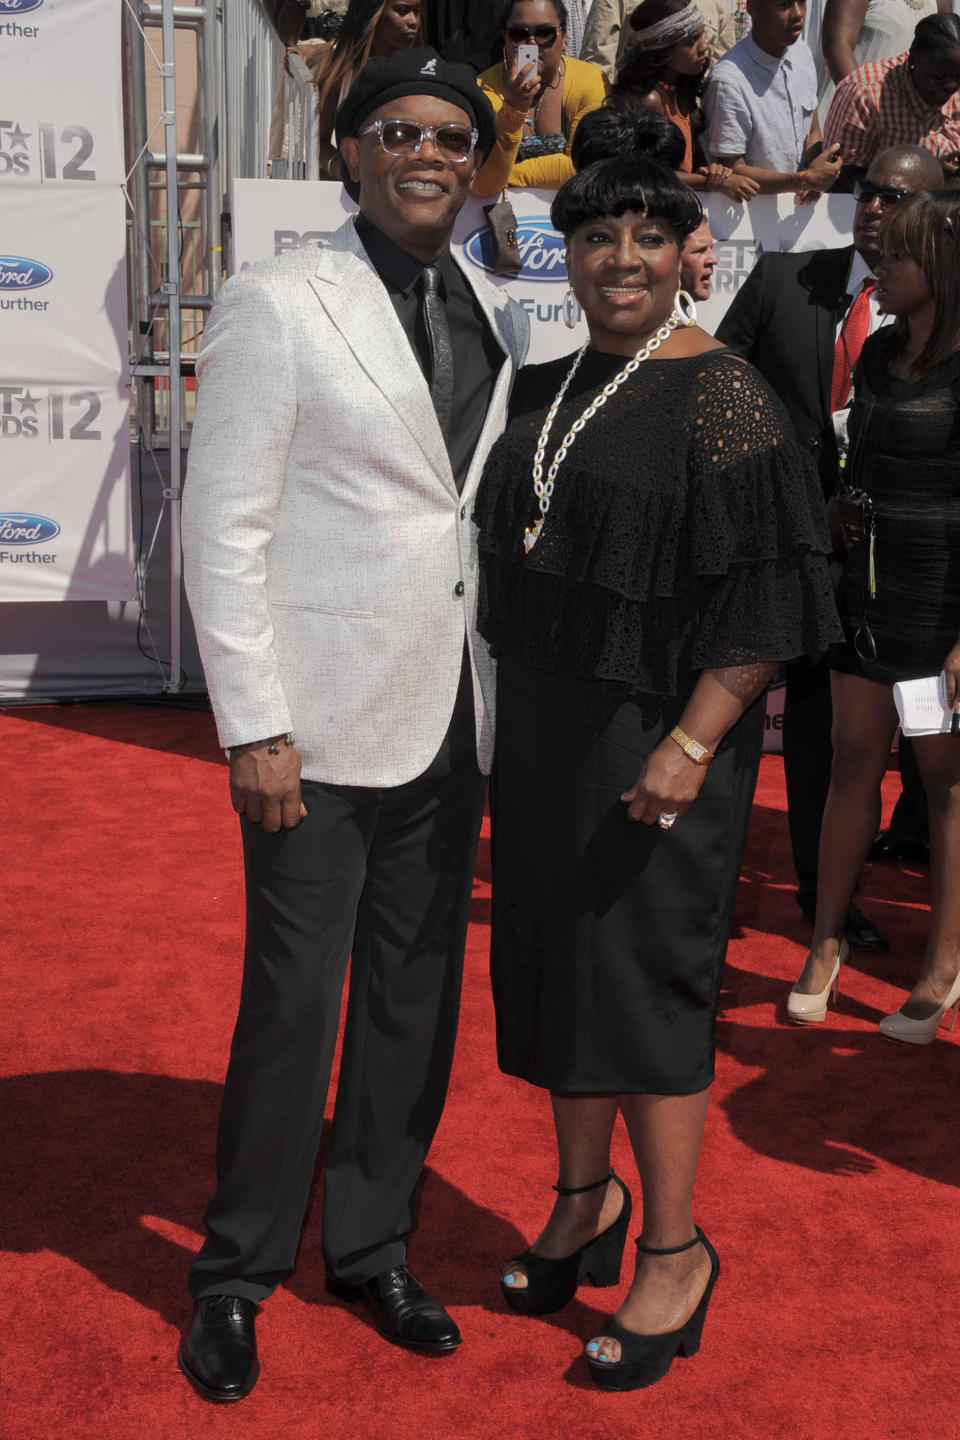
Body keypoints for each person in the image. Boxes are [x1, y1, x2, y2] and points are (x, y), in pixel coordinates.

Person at [178, 48, 528, 1402]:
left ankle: (373, 1243)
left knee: (410, 1002)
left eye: (451, 134)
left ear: (482, 163)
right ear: (353, 151)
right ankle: (236, 1272)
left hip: (450, 715)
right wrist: (253, 722)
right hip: (313, 731)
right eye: (398, 130)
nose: (425, 153)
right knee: (289, 1007)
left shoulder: (496, 304)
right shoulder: (279, 299)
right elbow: (228, 529)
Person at [472, 151, 841, 1389]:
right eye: (594, 238)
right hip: (543, 738)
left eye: (646, 237)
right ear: (563, 255)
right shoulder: (542, 383)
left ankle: (676, 1252)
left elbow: (772, 597)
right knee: (560, 977)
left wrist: (692, 743)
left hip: (658, 744)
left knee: (642, 993)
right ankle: (585, 1203)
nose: (619, 260)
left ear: (689, 253)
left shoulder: (723, 394)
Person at [717, 143, 942, 948]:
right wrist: (778, 483)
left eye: (898, 197)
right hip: (795, 549)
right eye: (868, 192)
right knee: (815, 735)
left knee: (924, 744)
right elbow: (718, 385)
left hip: (912, 565)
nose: (878, 209)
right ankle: (827, 899)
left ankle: (916, 851)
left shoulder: (942, 312)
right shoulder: (784, 279)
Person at [788, 187, 960, 1043]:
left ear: (937, 264)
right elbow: (864, 453)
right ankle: (824, 941)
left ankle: (941, 963)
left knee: (942, 786)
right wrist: (841, 505)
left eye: (892, 258)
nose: (876, 270)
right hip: (869, 596)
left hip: (943, 609)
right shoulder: (883, 351)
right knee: (851, 761)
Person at [611, 0, 759, 199]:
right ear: (663, 49)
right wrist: (712, 183)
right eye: (691, 42)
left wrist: (712, 172)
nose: (704, 47)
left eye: (702, 36)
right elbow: (644, 174)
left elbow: (686, 166)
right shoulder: (647, 99)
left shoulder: (681, 90)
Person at [703, 0, 844, 198]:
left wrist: (816, 173)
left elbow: (812, 129)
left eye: (802, 2)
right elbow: (732, 168)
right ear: (752, 7)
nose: (797, 13)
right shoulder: (729, 81)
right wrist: (801, 180)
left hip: (799, 211)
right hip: (749, 215)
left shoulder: (801, 52)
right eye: (783, 5)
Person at [472, 0, 609, 195]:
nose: (532, 44)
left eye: (545, 33)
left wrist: (510, 175)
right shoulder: (482, 91)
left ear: (564, 37)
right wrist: (513, 108)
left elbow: (586, 165)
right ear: (505, 37)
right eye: (519, 34)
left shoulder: (590, 81)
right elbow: (483, 185)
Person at [822, 12, 960, 183]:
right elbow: (839, 180)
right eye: (939, 77)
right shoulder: (866, 94)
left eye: (958, 77)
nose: (951, 86)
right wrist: (932, 175)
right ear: (913, 60)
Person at [314, 0, 426, 179]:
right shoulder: (340, 71)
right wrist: (338, 167)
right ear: (374, 13)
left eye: (417, 11)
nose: (413, 21)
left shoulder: (425, 73)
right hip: (349, 190)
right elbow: (318, 141)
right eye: (402, 11)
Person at [817, 0, 950, 112]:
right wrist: (869, 108)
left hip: (910, 123)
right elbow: (837, 45)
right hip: (856, 116)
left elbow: (947, 51)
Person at [580, 0, 735, 76]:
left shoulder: (719, 5)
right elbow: (597, 67)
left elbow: (720, 75)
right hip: (631, 122)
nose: (702, 46)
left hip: (691, 124)